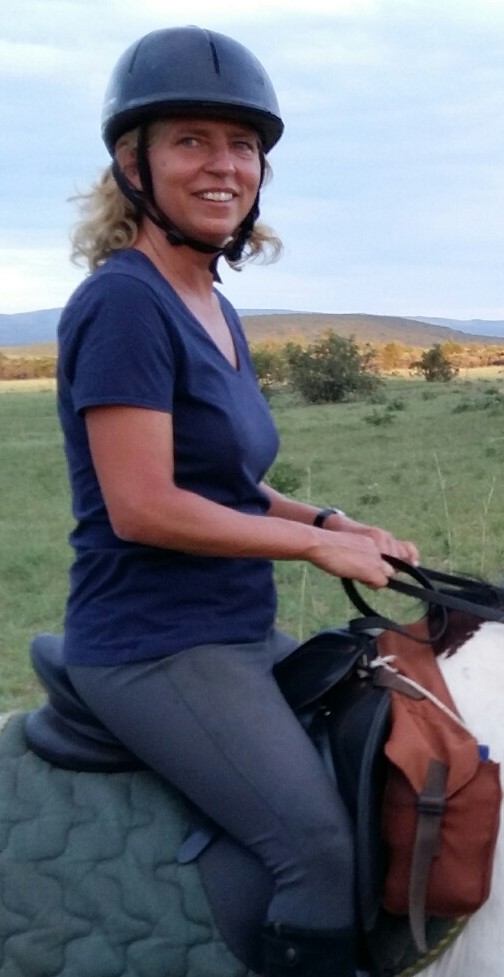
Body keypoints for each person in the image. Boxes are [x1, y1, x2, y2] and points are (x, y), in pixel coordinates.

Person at [55, 26, 418, 977]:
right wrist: (312, 553)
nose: (224, 165)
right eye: (192, 141)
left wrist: (330, 522)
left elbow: (228, 481)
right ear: (133, 164)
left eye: (243, 146)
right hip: (153, 642)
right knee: (317, 849)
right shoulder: (125, 304)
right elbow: (142, 504)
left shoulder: (211, 303)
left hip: (234, 623)